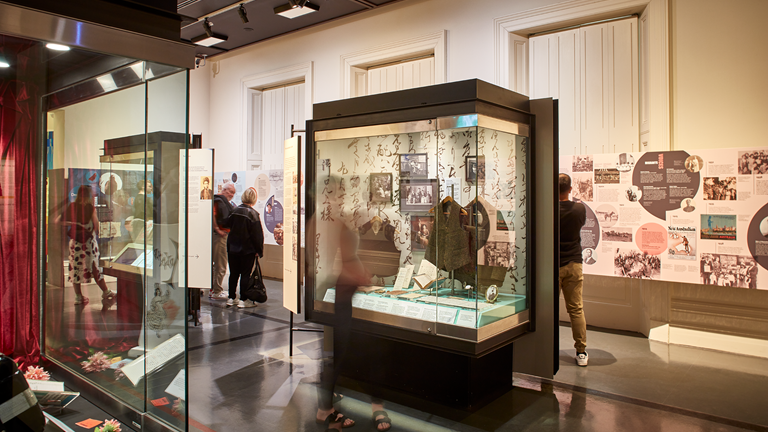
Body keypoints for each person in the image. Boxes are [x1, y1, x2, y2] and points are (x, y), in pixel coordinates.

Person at [314, 176, 391, 432]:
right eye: (337, 194)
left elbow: (347, 256)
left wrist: (360, 272)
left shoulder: (338, 219)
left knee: (356, 353)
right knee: (346, 355)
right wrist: (355, 275)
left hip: (350, 296)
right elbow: (322, 267)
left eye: (342, 193)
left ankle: (332, 405)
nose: (342, 197)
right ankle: (327, 410)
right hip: (341, 299)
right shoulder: (324, 222)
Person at [58, 185, 115, 306]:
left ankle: (78, 296)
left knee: (75, 267)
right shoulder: (90, 208)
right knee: (94, 267)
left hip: (75, 242)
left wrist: (75, 223)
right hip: (88, 243)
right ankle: (106, 291)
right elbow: (96, 226)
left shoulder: (72, 206)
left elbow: (59, 220)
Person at [559, 173, 588, 367]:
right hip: (574, 264)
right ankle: (581, 351)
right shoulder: (579, 209)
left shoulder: (549, 209)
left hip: (552, 264)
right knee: (576, 309)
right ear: (570, 189)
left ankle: (546, 346)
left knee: (547, 309)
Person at [224, 187, 264, 308]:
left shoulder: (233, 211)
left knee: (233, 273)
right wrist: (259, 250)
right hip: (247, 250)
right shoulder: (253, 214)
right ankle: (243, 299)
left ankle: (231, 298)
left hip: (232, 248)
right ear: (254, 199)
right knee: (245, 274)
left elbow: (226, 224)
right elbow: (257, 235)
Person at [211, 184, 236, 300]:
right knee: (220, 263)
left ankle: (214, 288)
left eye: (233, 193)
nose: (231, 195)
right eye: (230, 191)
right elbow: (213, 216)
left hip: (221, 234)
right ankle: (217, 291)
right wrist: (217, 229)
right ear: (224, 190)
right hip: (220, 235)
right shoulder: (218, 201)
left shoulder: (220, 201)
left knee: (217, 263)